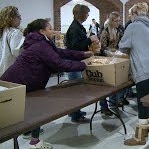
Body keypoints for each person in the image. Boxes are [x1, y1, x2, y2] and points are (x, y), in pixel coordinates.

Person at [0, 19, 93, 149]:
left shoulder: (43, 42)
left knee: (34, 109)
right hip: (19, 83)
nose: (53, 31)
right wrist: (83, 64)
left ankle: (33, 140)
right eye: (50, 28)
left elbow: (61, 52)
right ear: (42, 31)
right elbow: (59, 63)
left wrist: (82, 54)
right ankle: (34, 142)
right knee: (27, 114)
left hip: (25, 82)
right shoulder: (41, 45)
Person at [119, 2, 149, 146]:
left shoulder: (133, 26)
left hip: (145, 69)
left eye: (130, 15)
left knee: (142, 102)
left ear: (134, 14)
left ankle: (140, 137)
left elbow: (123, 47)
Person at [65, 4, 99, 123]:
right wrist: (90, 40)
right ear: (80, 13)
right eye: (87, 13)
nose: (88, 15)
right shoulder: (74, 28)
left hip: (76, 61)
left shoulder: (77, 26)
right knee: (76, 90)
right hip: (74, 62)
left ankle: (75, 111)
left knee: (76, 89)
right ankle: (75, 115)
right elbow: (75, 47)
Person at [99, 12, 129, 114]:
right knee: (105, 85)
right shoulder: (105, 31)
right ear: (111, 21)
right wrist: (111, 51)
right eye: (116, 21)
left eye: (119, 20)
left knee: (115, 82)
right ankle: (104, 107)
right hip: (106, 59)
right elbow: (102, 48)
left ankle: (113, 101)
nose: (118, 22)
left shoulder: (118, 30)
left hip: (115, 57)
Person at [0, 6, 24, 77]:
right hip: (10, 70)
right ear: (10, 18)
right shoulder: (15, 32)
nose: (20, 18)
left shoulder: (3, 31)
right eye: (18, 16)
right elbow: (16, 52)